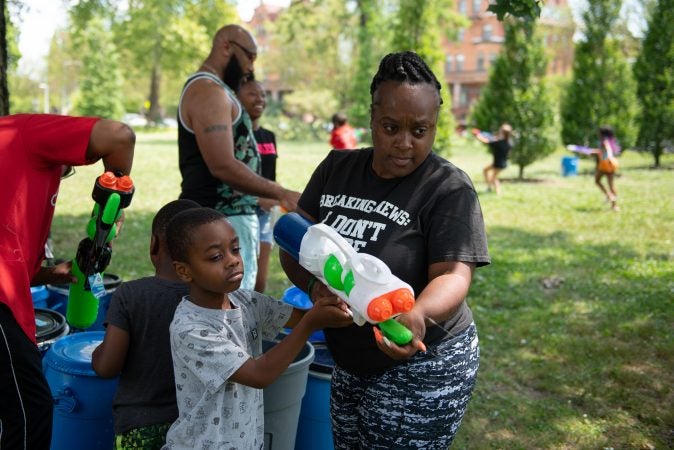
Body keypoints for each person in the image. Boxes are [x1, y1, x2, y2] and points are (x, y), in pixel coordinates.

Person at [280, 51, 491, 449]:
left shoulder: (448, 188)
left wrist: (419, 314)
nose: (404, 144)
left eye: (421, 130)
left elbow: (453, 274)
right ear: (372, 117)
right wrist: (313, 288)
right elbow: (296, 243)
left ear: (435, 126)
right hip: (349, 360)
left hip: (424, 361)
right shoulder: (337, 169)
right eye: (391, 127)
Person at [161, 207, 351, 449]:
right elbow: (259, 374)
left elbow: (295, 317)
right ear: (184, 271)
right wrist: (311, 322)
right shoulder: (191, 329)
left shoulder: (244, 300)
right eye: (216, 257)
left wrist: (332, 299)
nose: (232, 260)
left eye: (235, 249)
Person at [0, 114, 135, 450]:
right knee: (29, 412)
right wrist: (109, 207)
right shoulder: (27, 133)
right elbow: (119, 136)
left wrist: (50, 271)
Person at [177, 24, 301, 291]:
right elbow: (222, 165)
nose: (250, 68)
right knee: (228, 315)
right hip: (218, 221)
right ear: (227, 48)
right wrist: (282, 193)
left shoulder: (216, 89)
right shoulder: (208, 91)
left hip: (227, 221)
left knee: (238, 310)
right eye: (250, 57)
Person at [91, 199, 200, 450]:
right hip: (198, 427)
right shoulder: (213, 299)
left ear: (154, 245)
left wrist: (98, 353)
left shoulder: (131, 295)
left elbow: (107, 367)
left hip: (140, 428)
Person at [237, 78, 278, 293]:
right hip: (240, 212)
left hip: (264, 215)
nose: (260, 99)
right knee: (241, 278)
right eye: (252, 94)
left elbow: (270, 174)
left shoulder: (269, 136)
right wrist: (257, 198)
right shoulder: (234, 137)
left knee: (259, 281)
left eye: (262, 94)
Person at [472, 123, 512, 195]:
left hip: (498, 164)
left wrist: (477, 135)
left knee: (493, 178)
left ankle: (498, 193)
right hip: (500, 163)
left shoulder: (498, 142)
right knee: (485, 170)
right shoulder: (508, 143)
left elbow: (485, 141)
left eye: (500, 131)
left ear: (502, 133)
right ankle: (489, 187)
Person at [592, 125, 621, 211]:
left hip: (604, 165)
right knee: (611, 185)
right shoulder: (611, 141)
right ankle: (614, 205)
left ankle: (610, 197)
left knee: (598, 181)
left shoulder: (604, 142)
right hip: (610, 166)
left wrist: (595, 152)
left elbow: (605, 154)